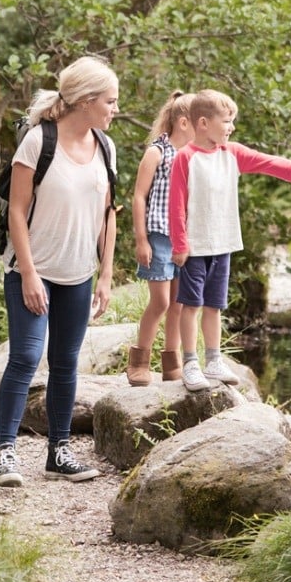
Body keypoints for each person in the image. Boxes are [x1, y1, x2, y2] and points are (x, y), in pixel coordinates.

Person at [0, 55, 119, 487]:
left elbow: (108, 213)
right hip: (32, 268)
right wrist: (27, 274)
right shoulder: (38, 141)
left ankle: (58, 454)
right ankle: (5, 454)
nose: (115, 109)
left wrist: (105, 274)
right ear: (85, 101)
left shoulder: (105, 146)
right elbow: (18, 212)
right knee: (26, 356)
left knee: (65, 362)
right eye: (110, 101)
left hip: (79, 273)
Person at [168, 89, 291, 392]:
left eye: (232, 121)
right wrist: (179, 244)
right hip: (195, 247)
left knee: (214, 306)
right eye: (227, 120)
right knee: (190, 305)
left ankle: (213, 360)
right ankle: (190, 363)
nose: (231, 126)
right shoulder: (185, 158)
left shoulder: (232, 154)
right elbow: (176, 203)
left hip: (223, 244)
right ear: (203, 123)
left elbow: (272, 163)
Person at [127, 90, 195, 386]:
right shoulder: (158, 152)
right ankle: (139, 361)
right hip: (158, 237)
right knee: (161, 302)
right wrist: (141, 240)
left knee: (179, 303)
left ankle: (172, 363)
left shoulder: (194, 155)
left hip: (185, 240)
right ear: (183, 122)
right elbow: (139, 197)